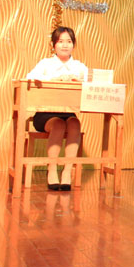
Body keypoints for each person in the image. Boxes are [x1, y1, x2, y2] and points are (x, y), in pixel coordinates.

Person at [26, 26, 88, 191]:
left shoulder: (79, 67)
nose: (65, 45)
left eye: (69, 41)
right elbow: (29, 77)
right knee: (59, 124)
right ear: (54, 44)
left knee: (75, 123)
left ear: (73, 44)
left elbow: (91, 82)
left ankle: (67, 171)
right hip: (45, 113)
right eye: (60, 41)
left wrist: (79, 81)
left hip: (67, 111)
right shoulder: (45, 63)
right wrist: (54, 79)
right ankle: (52, 169)